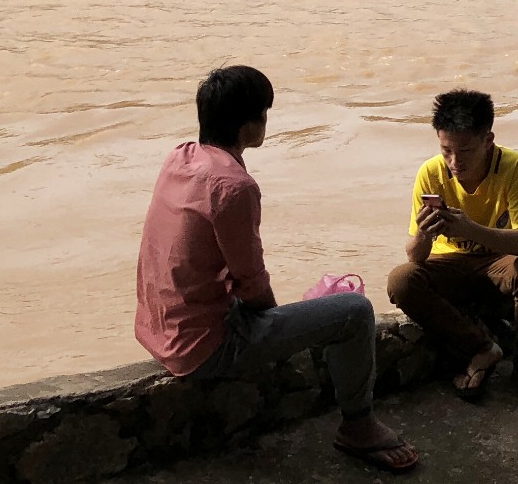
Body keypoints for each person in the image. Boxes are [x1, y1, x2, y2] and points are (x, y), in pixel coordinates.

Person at [135, 65, 419, 472]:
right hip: (202, 347)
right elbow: (251, 280)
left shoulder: (179, 158)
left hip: (157, 329)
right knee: (355, 312)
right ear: (249, 124)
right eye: (264, 114)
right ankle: (358, 425)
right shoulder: (235, 186)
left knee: (305, 312)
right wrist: (271, 318)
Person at [385, 89, 518, 410]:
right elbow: (415, 257)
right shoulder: (431, 173)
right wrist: (424, 233)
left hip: (496, 261)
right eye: (446, 150)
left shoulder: (511, 166)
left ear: (487, 140)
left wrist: (469, 229)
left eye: (464, 150)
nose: (454, 162)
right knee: (401, 280)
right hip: (449, 262)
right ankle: (481, 347)